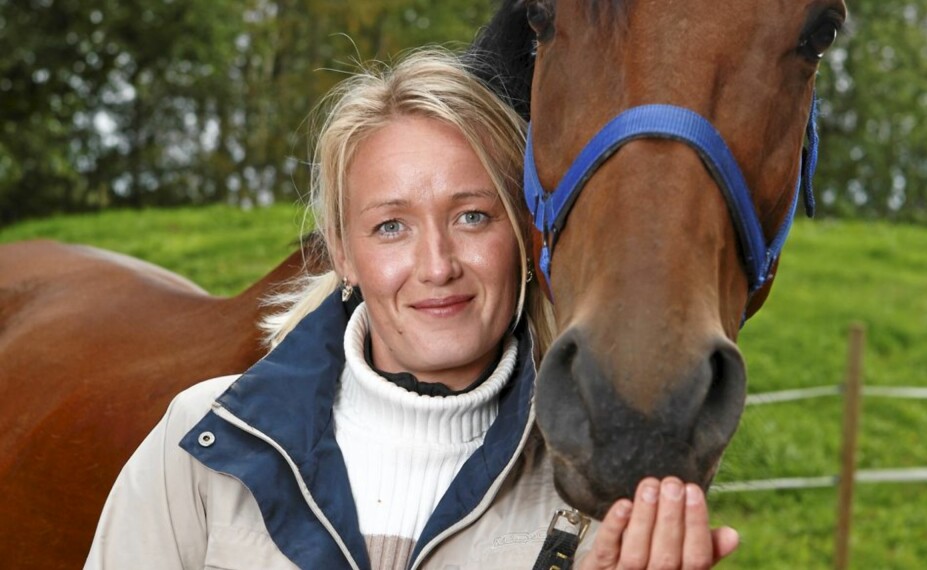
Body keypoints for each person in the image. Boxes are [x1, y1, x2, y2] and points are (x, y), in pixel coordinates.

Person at [85, 48, 739, 570]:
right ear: (343, 251)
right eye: (391, 226)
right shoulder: (202, 443)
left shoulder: (605, 498)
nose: (436, 266)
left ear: (524, 234)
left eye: (474, 216)